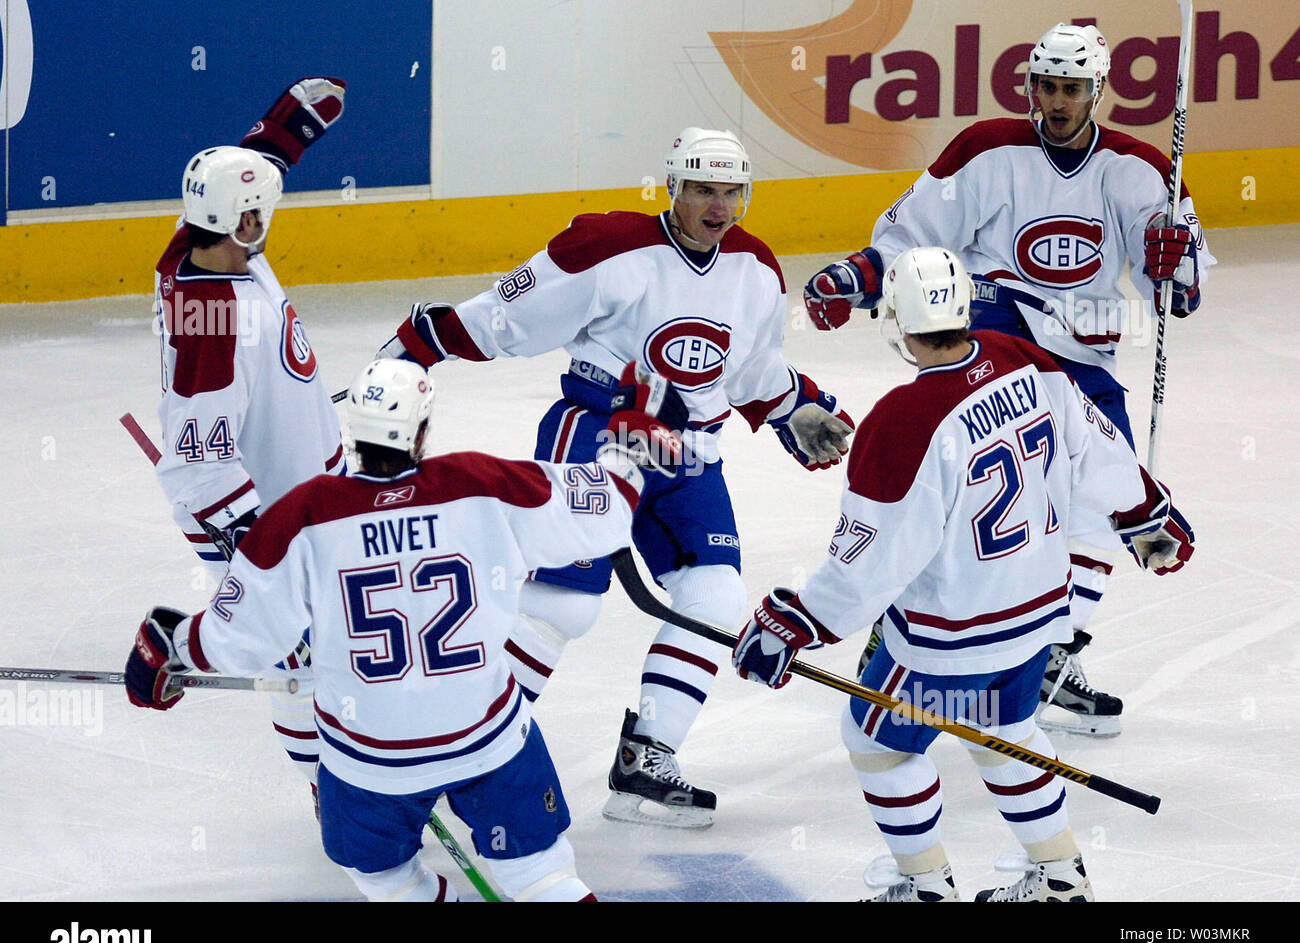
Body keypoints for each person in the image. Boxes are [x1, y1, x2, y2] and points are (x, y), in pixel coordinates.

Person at [378, 127, 856, 827]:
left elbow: (749, 371)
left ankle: (645, 761)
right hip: (596, 435)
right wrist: (421, 345)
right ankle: (455, 755)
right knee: (564, 605)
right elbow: (509, 316)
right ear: (674, 188)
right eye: (703, 191)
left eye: (731, 194)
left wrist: (796, 407)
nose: (718, 209)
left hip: (688, 455)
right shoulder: (608, 247)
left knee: (716, 598)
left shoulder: (755, 269)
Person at [125, 357, 688, 901]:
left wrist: (171, 644)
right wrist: (632, 437)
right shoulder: (480, 484)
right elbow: (606, 513)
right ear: (420, 431)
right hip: (488, 741)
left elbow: (239, 643)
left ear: (353, 430)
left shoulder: (302, 516)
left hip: (369, 760)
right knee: (541, 877)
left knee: (386, 881)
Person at [732, 248, 1195, 901]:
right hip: (1036, 618)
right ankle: (1061, 877)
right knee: (1007, 732)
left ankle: (924, 887)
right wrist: (1147, 515)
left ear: (896, 319)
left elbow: (872, 560)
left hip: (947, 643)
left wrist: (796, 623)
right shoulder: (1019, 356)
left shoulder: (902, 421)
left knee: (876, 741)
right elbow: (1097, 447)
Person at [802, 23, 1213, 737]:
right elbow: (909, 238)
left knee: (1101, 507)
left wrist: (1171, 261)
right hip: (992, 333)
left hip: (1082, 358)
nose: (1056, 102)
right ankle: (909, 628)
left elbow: (1175, 297)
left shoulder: (1140, 169)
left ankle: (1051, 654)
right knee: (967, 492)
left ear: (1098, 91)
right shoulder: (987, 150)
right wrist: (858, 276)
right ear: (1029, 87)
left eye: (1072, 88)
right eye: (1045, 86)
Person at [151, 78, 347, 794]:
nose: (268, 222)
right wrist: (257, 545)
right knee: (292, 660)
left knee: (324, 645)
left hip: (304, 497)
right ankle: (325, 787)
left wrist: (282, 134)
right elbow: (198, 468)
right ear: (246, 224)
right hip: (266, 515)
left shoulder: (201, 247)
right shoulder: (215, 328)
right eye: (261, 213)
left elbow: (229, 186)